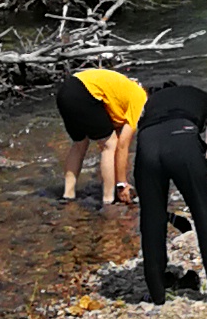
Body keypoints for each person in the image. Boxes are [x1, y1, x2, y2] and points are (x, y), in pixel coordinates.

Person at [132, 77, 207, 305]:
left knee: (151, 219)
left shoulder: (148, 105)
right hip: (182, 139)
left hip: (147, 146)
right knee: (203, 213)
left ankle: (156, 294)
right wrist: (205, 180)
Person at [55, 62, 144, 209]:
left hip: (65, 91)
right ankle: (109, 199)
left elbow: (107, 118)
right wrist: (122, 184)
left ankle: (68, 195)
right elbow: (122, 145)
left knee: (80, 144)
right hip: (83, 93)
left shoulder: (123, 91)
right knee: (110, 145)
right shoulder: (140, 99)